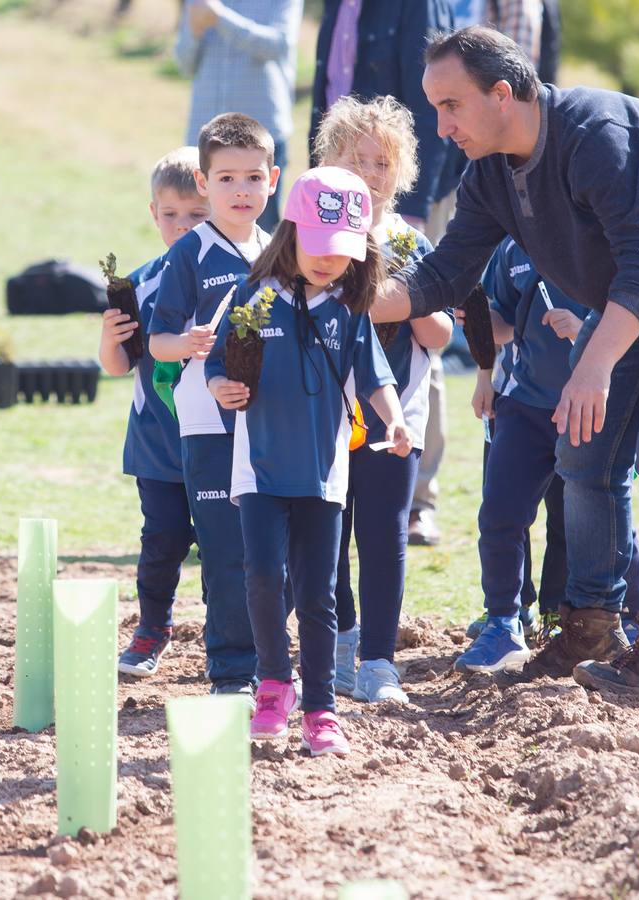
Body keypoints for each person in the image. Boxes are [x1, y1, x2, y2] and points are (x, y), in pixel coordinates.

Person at [373, 26, 639, 709]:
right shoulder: (489, 176)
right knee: (582, 458)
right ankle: (588, 627)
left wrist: (590, 366)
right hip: (630, 294)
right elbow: (442, 275)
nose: (440, 128)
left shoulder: (594, 134)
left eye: (450, 106)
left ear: (502, 95)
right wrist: (345, 300)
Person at [205, 167, 412, 756]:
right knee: (265, 578)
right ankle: (275, 685)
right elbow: (217, 363)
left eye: (341, 252)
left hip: (325, 476)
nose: (328, 262)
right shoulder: (253, 295)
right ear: (291, 232)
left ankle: (321, 708)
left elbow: (375, 377)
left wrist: (394, 420)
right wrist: (222, 387)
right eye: (318, 247)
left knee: (319, 595)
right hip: (259, 472)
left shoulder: (350, 309)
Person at [313, 96, 454, 703]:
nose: (370, 173)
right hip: (320, 419)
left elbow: (444, 333)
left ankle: (378, 660)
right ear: (330, 160)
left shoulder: (409, 243)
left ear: (402, 175)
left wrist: (406, 304)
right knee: (325, 535)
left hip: (398, 421)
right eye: (358, 158)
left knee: (384, 533)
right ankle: (338, 644)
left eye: (383, 162)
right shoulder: (311, 243)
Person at [456, 238, 639, 674]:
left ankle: (633, 617)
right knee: (500, 514)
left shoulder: (605, 236)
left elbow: (636, 318)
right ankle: (504, 624)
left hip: (592, 402)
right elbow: (502, 324)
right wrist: (478, 320)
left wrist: (583, 329)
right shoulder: (511, 248)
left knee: (601, 509)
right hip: (524, 406)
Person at [149, 113, 280, 702]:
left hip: (274, 427)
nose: (241, 191)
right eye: (226, 179)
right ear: (204, 184)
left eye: (253, 178)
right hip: (207, 427)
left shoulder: (283, 251)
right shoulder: (191, 254)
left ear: (273, 180)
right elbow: (157, 341)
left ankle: (274, 663)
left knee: (272, 556)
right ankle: (232, 671)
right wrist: (188, 346)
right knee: (226, 554)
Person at [99, 148, 210, 677]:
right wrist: (109, 339)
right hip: (157, 441)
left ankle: (228, 631)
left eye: (196, 214)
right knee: (162, 539)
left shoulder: (237, 277)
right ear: (153, 213)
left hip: (220, 441)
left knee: (224, 543)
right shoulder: (138, 283)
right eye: (171, 214)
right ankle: (152, 628)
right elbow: (118, 365)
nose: (183, 225)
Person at [309, 0, 459, 233]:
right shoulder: (336, 4)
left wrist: (412, 209)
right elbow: (326, 96)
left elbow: (431, 109)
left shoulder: (419, 5)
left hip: (402, 198)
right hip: (341, 194)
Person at [175, 0, 302, 233]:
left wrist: (220, 18)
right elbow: (184, 64)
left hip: (260, 138)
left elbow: (279, 45)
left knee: (261, 236)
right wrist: (193, 31)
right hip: (204, 138)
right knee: (197, 230)